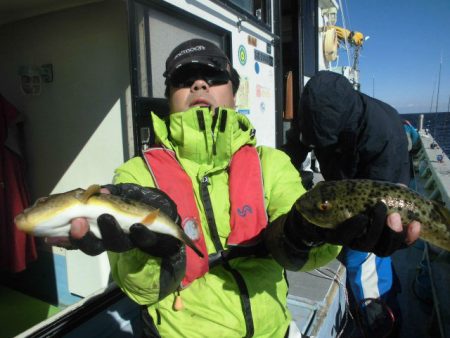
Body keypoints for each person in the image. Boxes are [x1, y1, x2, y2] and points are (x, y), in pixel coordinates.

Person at [57, 41, 421, 337]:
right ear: (168, 96)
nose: (199, 85)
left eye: (213, 76)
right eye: (184, 79)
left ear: (234, 92)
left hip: (273, 329)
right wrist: (148, 256)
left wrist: (303, 235)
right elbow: (143, 291)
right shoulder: (134, 175)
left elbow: (305, 252)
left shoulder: (271, 164)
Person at [282, 70, 414, 337]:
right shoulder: (310, 117)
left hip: (379, 189)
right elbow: (295, 149)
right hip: (342, 188)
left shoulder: (382, 133)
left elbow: (385, 203)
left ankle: (383, 322)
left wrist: (366, 231)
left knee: (365, 259)